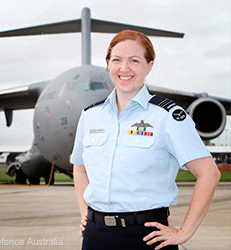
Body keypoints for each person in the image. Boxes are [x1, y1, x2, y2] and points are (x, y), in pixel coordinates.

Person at [70, 30, 221, 250]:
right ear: (108, 64)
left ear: (149, 65)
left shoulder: (167, 116)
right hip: (95, 236)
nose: (124, 68)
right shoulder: (90, 115)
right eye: (117, 60)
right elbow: (79, 166)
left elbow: (209, 173)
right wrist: (85, 211)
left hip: (146, 237)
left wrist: (184, 232)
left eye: (134, 61)